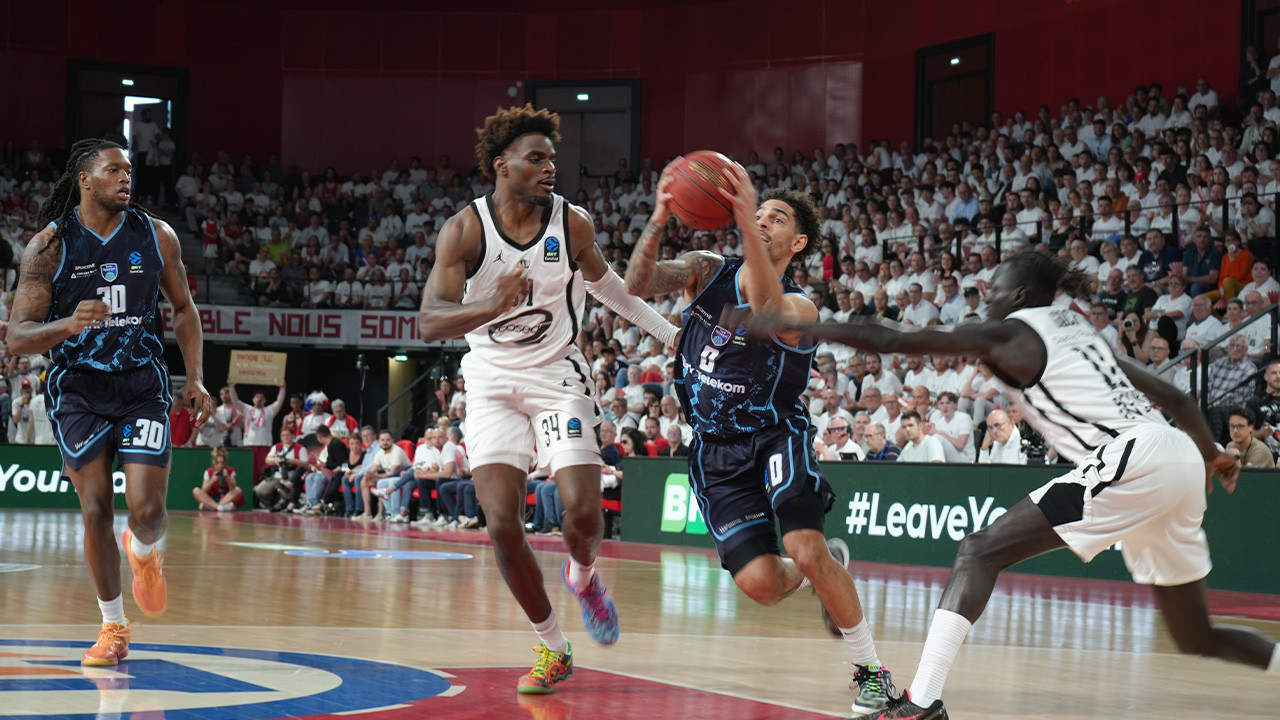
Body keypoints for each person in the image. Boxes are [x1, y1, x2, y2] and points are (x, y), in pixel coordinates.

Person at [751, 249, 1277, 720]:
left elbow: (890, 338)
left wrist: (804, 325)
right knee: (1196, 636)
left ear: (1020, 295)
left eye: (995, 286)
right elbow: (1178, 398)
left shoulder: (1015, 330)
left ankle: (920, 704)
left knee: (979, 550)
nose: (987, 293)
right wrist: (1211, 455)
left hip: (1135, 457)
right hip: (1176, 459)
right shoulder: (1080, 333)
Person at [417, 105, 677, 693]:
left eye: (552, 159)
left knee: (583, 514)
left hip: (557, 372)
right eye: (536, 158)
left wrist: (673, 337)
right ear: (501, 165)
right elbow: (431, 323)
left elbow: (614, 292)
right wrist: (492, 303)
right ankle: (553, 647)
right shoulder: (464, 229)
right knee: (503, 524)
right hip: (489, 380)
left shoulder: (572, 223)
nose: (549, 167)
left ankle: (583, 577)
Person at [624, 159, 895, 716]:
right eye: (760, 214)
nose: (765, 221)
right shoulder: (706, 269)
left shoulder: (801, 307)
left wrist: (747, 219)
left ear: (798, 243)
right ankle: (824, 567)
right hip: (714, 452)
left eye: (777, 219)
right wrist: (659, 215)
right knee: (763, 584)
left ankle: (874, 673)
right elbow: (636, 283)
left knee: (802, 544)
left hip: (774, 437)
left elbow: (767, 312)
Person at [6, 138, 213, 666]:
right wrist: (68, 324)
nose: (126, 178)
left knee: (147, 511)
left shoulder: (156, 235)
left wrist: (195, 377)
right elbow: (19, 337)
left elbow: (184, 309)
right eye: (113, 169)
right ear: (85, 179)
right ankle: (113, 626)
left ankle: (144, 552)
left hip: (142, 385)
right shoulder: (49, 246)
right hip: (78, 389)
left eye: (129, 170)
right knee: (95, 506)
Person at [193, 446, 244, 511]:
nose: (220, 465)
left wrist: (228, 477)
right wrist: (212, 480)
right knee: (196, 490)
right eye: (217, 463)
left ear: (225, 462)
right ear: (213, 462)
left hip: (226, 499)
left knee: (238, 490)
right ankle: (219, 508)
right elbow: (204, 490)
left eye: (222, 463)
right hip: (211, 499)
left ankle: (214, 507)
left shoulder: (231, 471)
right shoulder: (208, 472)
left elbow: (233, 489)